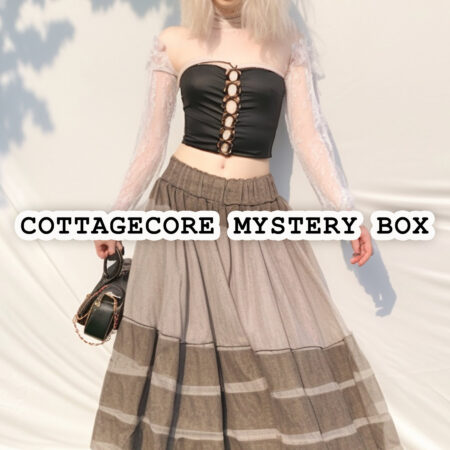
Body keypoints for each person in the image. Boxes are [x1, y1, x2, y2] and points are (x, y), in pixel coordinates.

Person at [90, 0, 403, 448]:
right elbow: (151, 142)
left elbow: (309, 138)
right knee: (183, 339)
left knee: (268, 338)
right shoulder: (174, 41)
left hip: (256, 211)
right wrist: (115, 216)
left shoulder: (287, 44)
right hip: (178, 207)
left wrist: (346, 214)